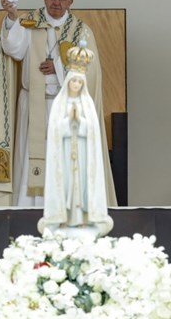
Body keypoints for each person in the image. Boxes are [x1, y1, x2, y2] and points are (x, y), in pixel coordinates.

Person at [0, 0, 117, 207]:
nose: (56, 2)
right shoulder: (28, 23)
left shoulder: (82, 31)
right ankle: (27, 213)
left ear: (71, 1)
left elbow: (89, 73)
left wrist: (59, 66)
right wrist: (12, 17)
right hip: (32, 105)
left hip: (66, 109)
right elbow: (13, 48)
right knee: (29, 160)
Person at [38, 41, 113, 238]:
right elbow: (55, 130)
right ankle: (63, 219)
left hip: (82, 155)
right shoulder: (60, 103)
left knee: (81, 188)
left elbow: (92, 132)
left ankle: (82, 219)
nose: (76, 85)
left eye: (80, 82)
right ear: (68, 81)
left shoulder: (86, 103)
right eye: (73, 81)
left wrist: (79, 121)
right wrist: (67, 122)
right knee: (67, 187)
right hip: (64, 154)